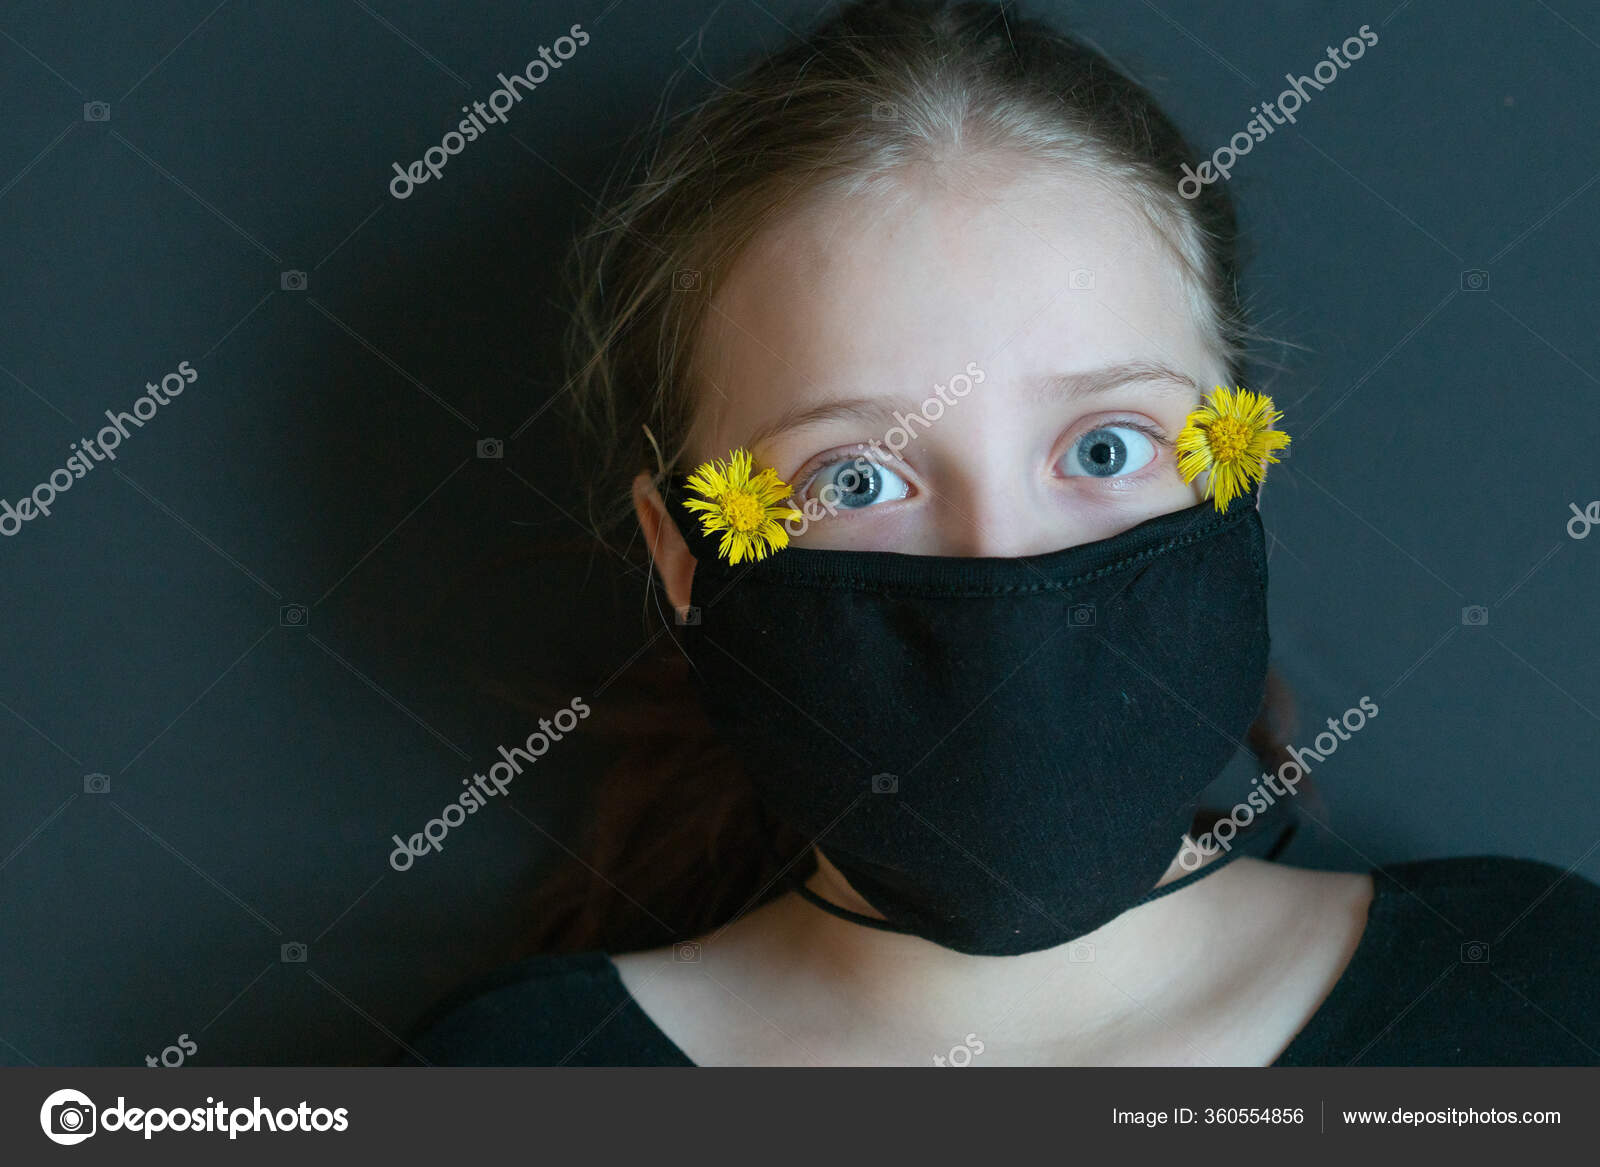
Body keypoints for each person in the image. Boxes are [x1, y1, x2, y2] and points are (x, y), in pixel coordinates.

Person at [398, 0, 1600, 1067]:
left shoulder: (1533, 1003)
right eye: (856, 476)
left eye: (1105, 448)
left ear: (1240, 464)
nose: (1003, 567)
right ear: (680, 554)